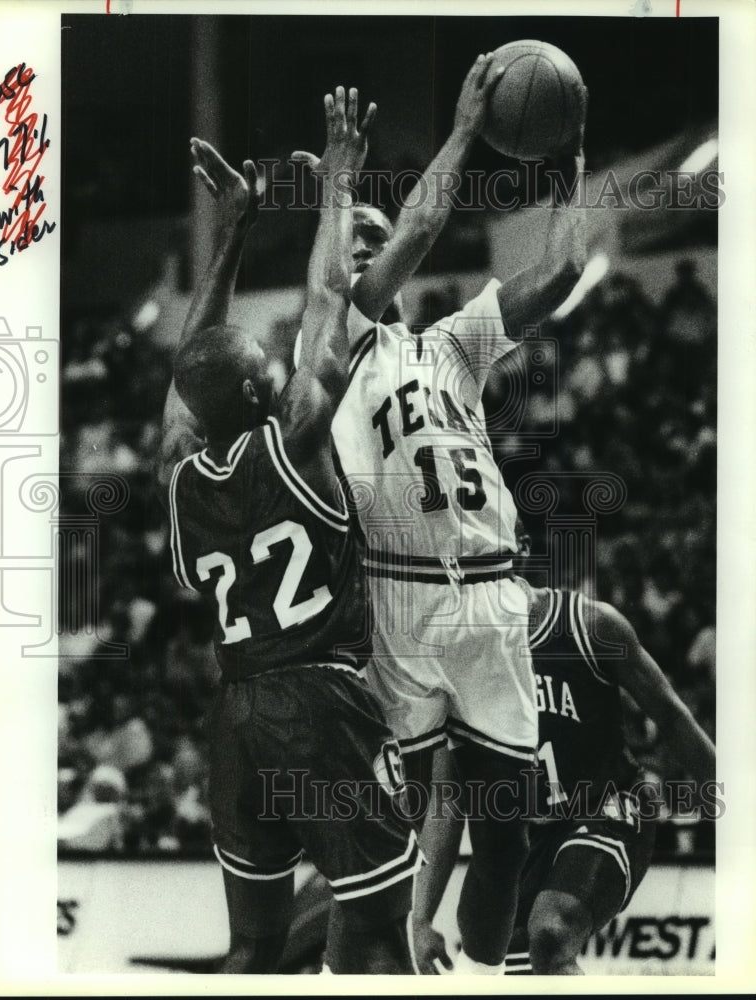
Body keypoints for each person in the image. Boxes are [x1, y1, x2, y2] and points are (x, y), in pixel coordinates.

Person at [292, 51, 588, 972]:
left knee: (503, 836)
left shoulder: (450, 347)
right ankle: (354, 956)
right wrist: (461, 132)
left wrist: (570, 164)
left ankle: (486, 973)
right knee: (413, 826)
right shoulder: (329, 349)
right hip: (403, 605)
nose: (374, 246)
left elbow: (561, 269)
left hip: (493, 595)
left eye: (379, 235)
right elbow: (408, 235)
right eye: (358, 235)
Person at [157, 88, 422, 974]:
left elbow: (184, 387)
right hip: (320, 704)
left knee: (253, 949)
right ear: (257, 393)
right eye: (264, 367)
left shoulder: (181, 479)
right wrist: (340, 175)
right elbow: (328, 301)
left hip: (235, 716)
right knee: (381, 934)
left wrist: (232, 229)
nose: (278, 368)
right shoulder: (298, 437)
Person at [412, 526, 717, 975]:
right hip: (523, 841)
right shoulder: (453, 662)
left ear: (520, 551)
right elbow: (448, 797)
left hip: (611, 806)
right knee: (517, 969)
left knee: (551, 931)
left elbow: (673, 719)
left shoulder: (590, 626)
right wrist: (420, 917)